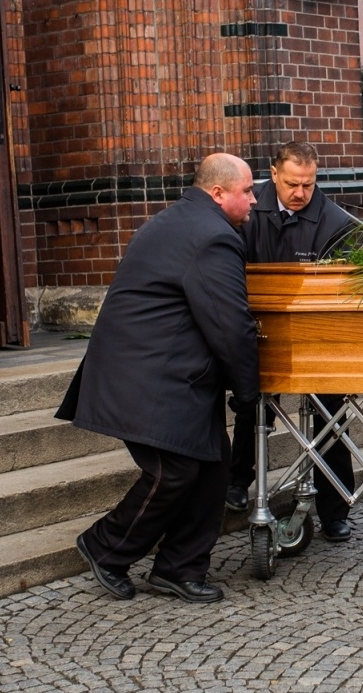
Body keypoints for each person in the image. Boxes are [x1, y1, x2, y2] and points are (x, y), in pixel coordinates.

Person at [58, 153, 260, 604]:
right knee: (174, 471)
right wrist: (248, 393)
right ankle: (105, 545)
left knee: (210, 468)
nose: (254, 198)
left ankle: (178, 568)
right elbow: (231, 325)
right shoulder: (212, 237)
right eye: (247, 190)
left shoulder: (183, 220)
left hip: (167, 372)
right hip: (148, 376)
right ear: (219, 193)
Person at [227, 140, 360, 542]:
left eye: (308, 184)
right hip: (260, 329)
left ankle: (335, 509)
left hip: (316, 334)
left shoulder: (336, 221)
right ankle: (236, 482)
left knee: (331, 416)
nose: (300, 193)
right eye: (291, 184)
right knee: (250, 405)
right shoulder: (247, 212)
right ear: (273, 174)